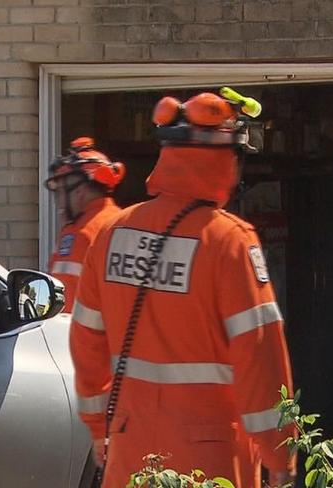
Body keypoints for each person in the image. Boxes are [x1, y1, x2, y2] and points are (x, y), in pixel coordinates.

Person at [70, 90, 296, 488]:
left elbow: (86, 340)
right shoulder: (229, 241)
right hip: (208, 456)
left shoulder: (111, 233)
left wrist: (97, 426)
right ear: (225, 161)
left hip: (129, 447)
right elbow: (259, 355)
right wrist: (280, 454)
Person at [45, 137, 125, 313]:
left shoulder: (79, 233)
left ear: (79, 191)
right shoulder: (121, 221)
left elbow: (65, 306)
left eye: (60, 192)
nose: (58, 201)